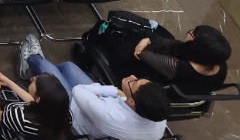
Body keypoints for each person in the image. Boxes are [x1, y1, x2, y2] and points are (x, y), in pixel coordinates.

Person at [19, 35, 170, 140]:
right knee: (68, 67)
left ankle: (32, 64)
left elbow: (79, 91)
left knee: (43, 67)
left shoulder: (109, 116)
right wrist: (120, 93)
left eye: (134, 82)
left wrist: (115, 91)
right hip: (95, 105)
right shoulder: (159, 119)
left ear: (131, 102)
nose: (131, 77)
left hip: (71, 112)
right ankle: (43, 73)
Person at [99, 25, 232, 95]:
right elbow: (177, 45)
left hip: (152, 84)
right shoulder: (219, 65)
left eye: (193, 34)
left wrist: (145, 39)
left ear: (197, 49)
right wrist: (149, 39)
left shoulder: (177, 67)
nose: (190, 32)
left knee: (130, 42)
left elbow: (141, 53)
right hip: (183, 89)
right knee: (159, 36)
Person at [0, 70, 73, 140]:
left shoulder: (19, 117)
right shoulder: (66, 116)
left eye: (35, 82)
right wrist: (8, 82)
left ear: (38, 99)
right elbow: (35, 102)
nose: (32, 79)